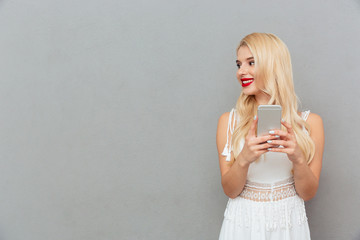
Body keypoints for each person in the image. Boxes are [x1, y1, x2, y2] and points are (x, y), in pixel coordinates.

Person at [216, 32, 324, 239]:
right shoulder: (228, 122)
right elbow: (230, 190)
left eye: (251, 62)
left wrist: (298, 159)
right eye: (239, 64)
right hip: (242, 224)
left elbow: (308, 193)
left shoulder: (311, 124)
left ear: (273, 65)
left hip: (289, 224)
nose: (241, 72)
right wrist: (244, 159)